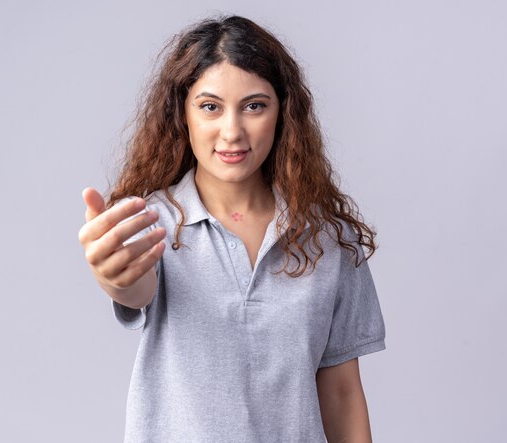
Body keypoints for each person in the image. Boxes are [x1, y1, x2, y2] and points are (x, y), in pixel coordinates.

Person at [78, 15, 386, 443]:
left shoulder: (329, 239)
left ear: (284, 113)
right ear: (182, 114)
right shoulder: (151, 222)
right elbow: (137, 287)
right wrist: (117, 275)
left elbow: (342, 393)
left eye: (254, 106)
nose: (232, 131)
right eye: (210, 107)